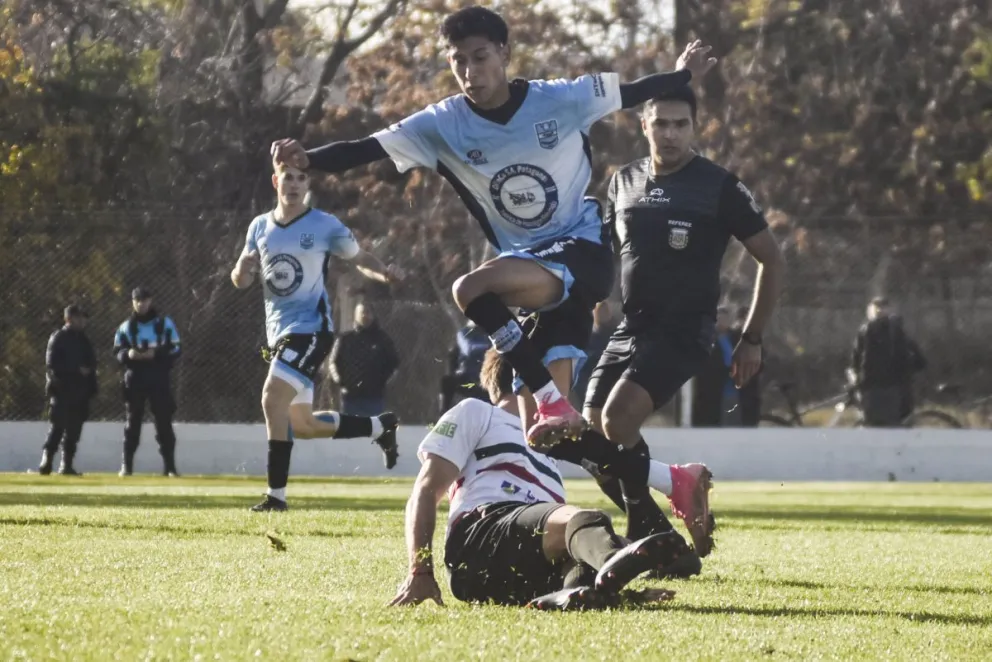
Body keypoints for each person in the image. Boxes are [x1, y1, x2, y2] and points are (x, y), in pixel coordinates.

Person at [270, 6, 718, 448]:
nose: (470, 70)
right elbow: (365, 149)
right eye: (458, 60)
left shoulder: (560, 98)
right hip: (529, 272)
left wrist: (681, 75)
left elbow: (634, 90)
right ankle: (668, 481)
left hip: (581, 249)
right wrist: (311, 159)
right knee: (548, 440)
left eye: (480, 56)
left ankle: (546, 396)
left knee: (469, 290)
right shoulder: (442, 124)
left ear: (504, 53)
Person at [578, 84, 786, 552]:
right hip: (631, 329)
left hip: (684, 330)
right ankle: (659, 519)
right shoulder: (623, 181)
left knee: (617, 419)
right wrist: (597, 296)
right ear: (643, 125)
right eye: (662, 124)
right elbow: (611, 250)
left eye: (681, 124)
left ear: (694, 127)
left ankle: (657, 521)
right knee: (591, 438)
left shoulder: (719, 186)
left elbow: (772, 260)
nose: (671, 134)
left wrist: (752, 338)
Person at [389, 349, 695, 611]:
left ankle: (583, 593)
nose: (569, 384)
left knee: (580, 550)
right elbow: (426, 490)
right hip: (479, 543)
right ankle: (616, 561)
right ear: (536, 375)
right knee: (584, 519)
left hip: (512, 579)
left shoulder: (553, 445)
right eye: (563, 370)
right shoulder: (477, 412)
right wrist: (420, 570)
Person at [231, 160, 405, 512]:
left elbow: (359, 258)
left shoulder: (324, 225)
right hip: (279, 335)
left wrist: (385, 273)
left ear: (307, 183)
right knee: (305, 424)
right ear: (275, 181)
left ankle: (275, 497)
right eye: (287, 178)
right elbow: (241, 280)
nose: (293, 184)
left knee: (271, 398)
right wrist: (242, 269)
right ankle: (380, 426)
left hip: (311, 330)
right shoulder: (259, 227)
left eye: (300, 178)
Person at [113, 288, 182, 477]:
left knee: (164, 422)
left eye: (144, 300)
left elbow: (176, 348)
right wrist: (128, 354)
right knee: (132, 421)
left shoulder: (164, 324)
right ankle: (126, 466)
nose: (141, 304)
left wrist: (156, 354)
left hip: (158, 376)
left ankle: (170, 467)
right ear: (133, 302)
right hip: (135, 377)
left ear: (150, 301)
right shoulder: (126, 326)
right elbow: (117, 351)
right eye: (137, 300)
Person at [38, 304, 97, 476]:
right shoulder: (58, 337)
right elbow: (52, 364)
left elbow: (92, 361)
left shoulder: (84, 340)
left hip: (81, 391)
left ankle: (66, 464)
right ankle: (47, 460)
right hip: (62, 389)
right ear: (68, 319)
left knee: (74, 430)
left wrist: (89, 374)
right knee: (58, 426)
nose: (82, 321)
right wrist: (76, 369)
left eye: (84, 318)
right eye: (78, 317)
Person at [850, 297, 927, 426]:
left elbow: (857, 360)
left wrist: (857, 380)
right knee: (895, 427)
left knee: (875, 427)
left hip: (873, 389)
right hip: (897, 388)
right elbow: (919, 360)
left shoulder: (867, 330)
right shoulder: (898, 329)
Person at [330, 302, 400, 416]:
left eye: (367, 312)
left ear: (373, 315)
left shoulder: (383, 339)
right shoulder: (344, 339)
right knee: (351, 430)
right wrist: (340, 381)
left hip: (374, 398)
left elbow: (394, 364)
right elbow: (333, 363)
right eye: (361, 313)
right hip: (350, 398)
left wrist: (383, 383)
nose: (364, 316)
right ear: (355, 315)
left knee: (373, 429)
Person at [691, 305, 737, 427]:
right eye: (720, 319)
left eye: (726, 319)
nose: (723, 322)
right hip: (712, 387)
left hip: (734, 387)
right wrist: (725, 370)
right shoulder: (707, 337)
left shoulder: (735, 337)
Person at [439, 320, 490, 414]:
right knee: (447, 381)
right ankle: (443, 416)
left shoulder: (495, 332)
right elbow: (469, 349)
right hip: (468, 380)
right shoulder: (465, 333)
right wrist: (491, 347)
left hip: (490, 381)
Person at [729, 305, 762, 427]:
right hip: (737, 386)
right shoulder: (732, 336)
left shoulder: (754, 337)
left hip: (752, 386)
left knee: (750, 415)